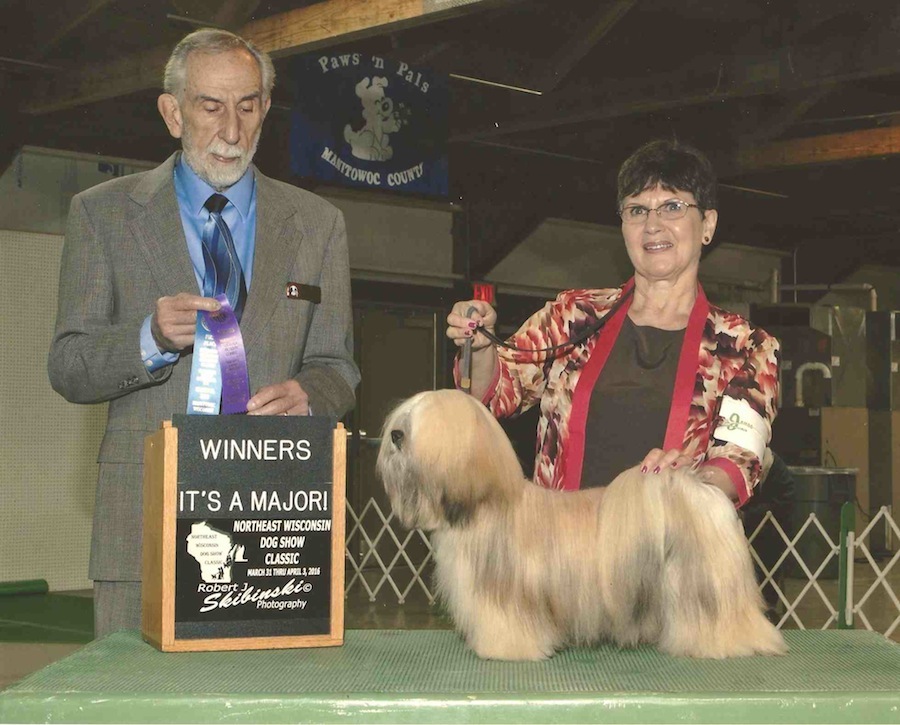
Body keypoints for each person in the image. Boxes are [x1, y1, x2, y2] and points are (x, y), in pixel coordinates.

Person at [48, 28, 360, 637]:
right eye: (210, 106)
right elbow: (69, 365)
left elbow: (338, 367)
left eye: (248, 105)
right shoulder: (101, 214)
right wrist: (148, 338)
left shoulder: (319, 225)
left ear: (267, 109)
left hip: (277, 529)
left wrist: (311, 395)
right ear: (172, 113)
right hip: (142, 528)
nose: (233, 129)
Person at [446, 139, 780, 505]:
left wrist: (693, 484)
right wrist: (479, 347)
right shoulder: (573, 314)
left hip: (672, 549)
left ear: (708, 225)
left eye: (672, 207)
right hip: (563, 551)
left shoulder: (746, 346)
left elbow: (740, 457)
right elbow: (495, 395)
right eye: (637, 210)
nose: (652, 225)